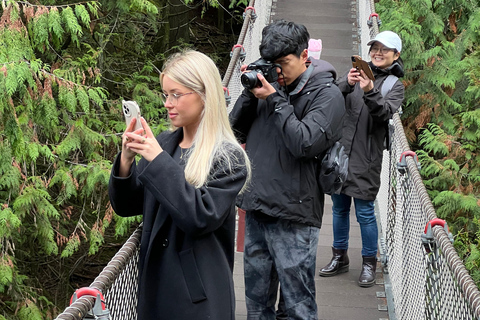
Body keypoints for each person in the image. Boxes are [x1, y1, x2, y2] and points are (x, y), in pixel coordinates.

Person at [109, 50, 251, 320]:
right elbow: (128, 205)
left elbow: (200, 216)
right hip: (156, 289)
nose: (167, 103)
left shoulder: (227, 157)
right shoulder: (164, 143)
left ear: (204, 94)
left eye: (176, 94)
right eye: (166, 94)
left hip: (198, 300)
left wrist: (157, 160)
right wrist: (126, 160)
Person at [230, 20, 345, 319]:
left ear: (305, 56)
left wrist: (275, 99)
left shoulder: (328, 96)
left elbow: (304, 143)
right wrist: (248, 93)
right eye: (271, 64)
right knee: (257, 307)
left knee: (297, 307)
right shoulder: (266, 85)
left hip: (295, 215)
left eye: (283, 63)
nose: (277, 71)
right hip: (256, 209)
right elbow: (232, 133)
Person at [318, 31, 405, 287]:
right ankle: (339, 257)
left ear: (396, 55)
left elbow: (383, 115)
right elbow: (330, 100)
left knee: (365, 213)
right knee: (339, 208)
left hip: (366, 157)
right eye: (375, 48)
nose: (378, 53)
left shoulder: (393, 86)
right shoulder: (355, 74)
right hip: (340, 153)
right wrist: (347, 82)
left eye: (384, 50)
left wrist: (369, 90)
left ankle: (369, 264)